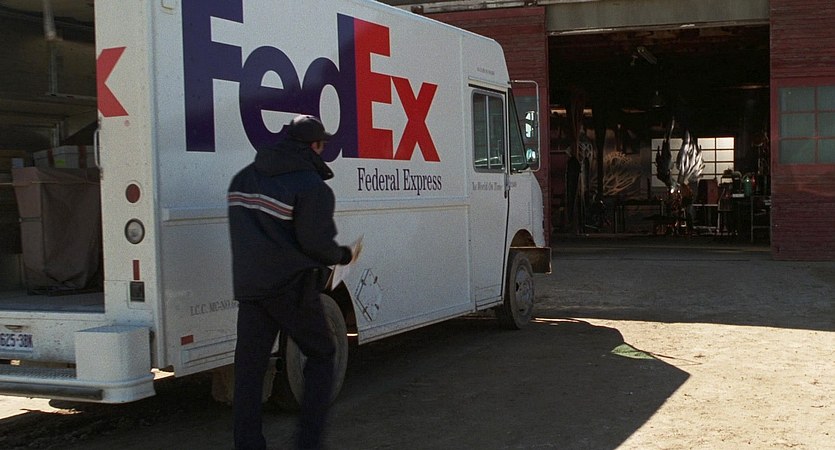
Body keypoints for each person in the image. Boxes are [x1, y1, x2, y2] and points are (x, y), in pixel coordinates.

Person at [227, 114, 353, 450]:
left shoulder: (242, 178)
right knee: (322, 354)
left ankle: (248, 444)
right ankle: (308, 441)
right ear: (315, 145)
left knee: (250, 371)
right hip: (292, 289)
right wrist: (342, 255)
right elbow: (316, 244)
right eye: (322, 144)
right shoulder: (312, 187)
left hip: (251, 289)